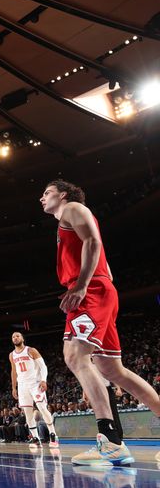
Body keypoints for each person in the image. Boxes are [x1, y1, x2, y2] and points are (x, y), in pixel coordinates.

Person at [41, 180, 160, 466]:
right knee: (112, 370)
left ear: (63, 194)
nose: (41, 198)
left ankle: (110, 441)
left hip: (91, 290)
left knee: (74, 355)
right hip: (97, 289)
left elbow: (93, 241)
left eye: (46, 192)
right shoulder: (65, 220)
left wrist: (81, 286)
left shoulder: (73, 208)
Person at [9, 332, 59, 449]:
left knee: (42, 408)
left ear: (22, 338)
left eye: (17, 336)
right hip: (22, 385)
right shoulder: (12, 355)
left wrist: (43, 380)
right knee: (27, 413)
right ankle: (35, 438)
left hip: (35, 383)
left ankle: (53, 434)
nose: (15, 338)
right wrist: (13, 387)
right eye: (13, 337)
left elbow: (43, 366)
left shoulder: (31, 350)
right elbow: (14, 371)